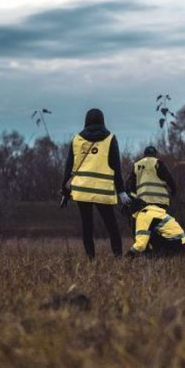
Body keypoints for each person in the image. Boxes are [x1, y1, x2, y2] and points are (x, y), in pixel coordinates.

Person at [61, 108, 128, 259]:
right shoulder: (110, 138)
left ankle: (90, 258)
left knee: (87, 225)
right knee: (111, 225)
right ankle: (118, 256)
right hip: (102, 190)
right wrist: (121, 191)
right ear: (102, 120)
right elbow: (116, 167)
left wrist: (65, 192)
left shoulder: (77, 139)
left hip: (82, 190)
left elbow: (68, 167)